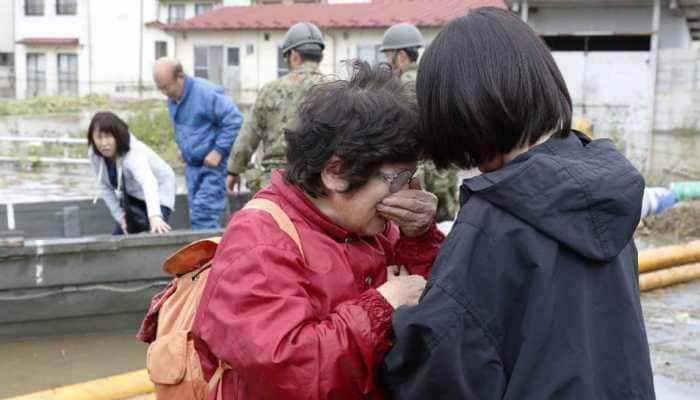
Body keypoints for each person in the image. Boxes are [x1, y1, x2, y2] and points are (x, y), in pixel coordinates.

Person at [383, 8, 655, 400]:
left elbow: (442, 374)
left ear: (459, 111)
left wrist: (395, 311)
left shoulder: (495, 219)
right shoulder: (604, 195)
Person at [192, 61, 445, 399]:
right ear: (336, 172)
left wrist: (420, 238)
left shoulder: (373, 224)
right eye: (397, 179)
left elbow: (441, 309)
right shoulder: (259, 242)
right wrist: (381, 306)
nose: (407, 191)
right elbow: (290, 373)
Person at [226, 22, 325, 196]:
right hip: (320, 183)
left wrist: (234, 171)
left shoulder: (270, 90)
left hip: (276, 183)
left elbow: (249, 135)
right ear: (320, 56)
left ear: (293, 55)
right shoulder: (337, 90)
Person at [380, 22, 459, 222]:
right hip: (444, 171)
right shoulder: (434, 81)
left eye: (389, 55)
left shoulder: (395, 88)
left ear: (402, 55)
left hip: (416, 174)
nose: (387, 61)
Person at [153, 57, 243, 229]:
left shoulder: (205, 93)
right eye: (159, 88)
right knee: (197, 214)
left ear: (180, 76)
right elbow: (187, 127)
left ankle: (212, 255)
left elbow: (235, 120)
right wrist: (183, 148)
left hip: (213, 168)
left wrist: (219, 150)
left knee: (204, 215)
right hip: (192, 167)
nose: (164, 92)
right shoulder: (173, 100)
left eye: (166, 87)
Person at [88, 111, 175, 235]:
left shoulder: (133, 152)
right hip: (131, 194)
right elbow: (104, 186)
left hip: (159, 189)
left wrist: (155, 216)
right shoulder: (94, 154)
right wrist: (120, 217)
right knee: (120, 235)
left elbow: (148, 181)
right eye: (99, 137)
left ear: (117, 136)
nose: (104, 143)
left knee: (155, 231)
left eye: (108, 137)